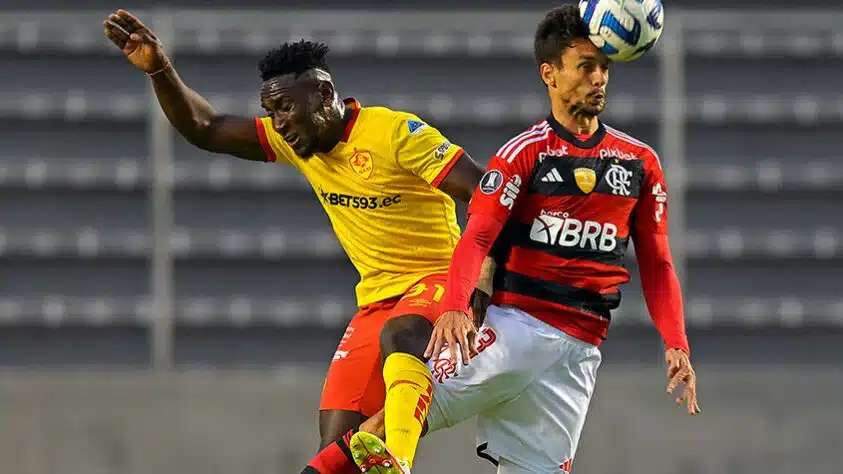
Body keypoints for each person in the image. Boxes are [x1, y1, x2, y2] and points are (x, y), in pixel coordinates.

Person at [102, 10, 494, 474]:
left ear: (325, 94)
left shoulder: (394, 133)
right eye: (272, 112)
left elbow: (486, 193)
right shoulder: (298, 141)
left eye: (287, 108)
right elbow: (205, 129)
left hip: (434, 283)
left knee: (401, 335)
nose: (280, 123)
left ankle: (400, 461)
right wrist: (160, 70)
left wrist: (479, 279)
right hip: (376, 299)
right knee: (337, 443)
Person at [346, 5, 701, 473]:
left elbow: (657, 262)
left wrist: (676, 341)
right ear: (549, 74)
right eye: (586, 67)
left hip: (581, 349)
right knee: (388, 425)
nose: (599, 79)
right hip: (517, 328)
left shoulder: (640, 162)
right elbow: (476, 237)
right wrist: (454, 306)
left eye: (604, 67)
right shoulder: (525, 153)